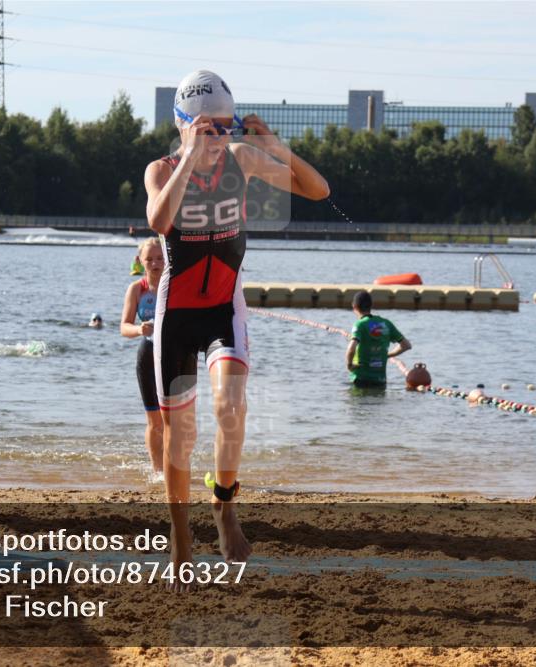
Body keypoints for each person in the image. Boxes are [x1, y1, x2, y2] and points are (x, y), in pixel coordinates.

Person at [144, 69, 329, 589]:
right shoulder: (160, 169)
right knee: (180, 436)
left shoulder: (242, 160)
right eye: (206, 128)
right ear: (182, 125)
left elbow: (318, 190)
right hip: (177, 316)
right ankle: (181, 540)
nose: (217, 137)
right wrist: (188, 155)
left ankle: (225, 506)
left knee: (231, 407)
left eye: (224, 127)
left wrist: (275, 145)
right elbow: (160, 222)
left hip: (225, 309)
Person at [120, 238, 165, 476]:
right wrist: (140, 329)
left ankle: (176, 467)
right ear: (140, 261)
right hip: (147, 356)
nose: (155, 263)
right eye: (149, 259)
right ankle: (158, 472)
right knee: (155, 422)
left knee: (176, 422)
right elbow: (124, 327)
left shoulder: (177, 285)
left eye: (160, 258)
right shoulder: (137, 289)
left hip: (174, 356)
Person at [346, 291, 412, 389]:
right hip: (380, 381)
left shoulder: (360, 324)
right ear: (371, 305)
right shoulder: (386, 324)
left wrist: (349, 365)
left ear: (354, 306)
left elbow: (351, 349)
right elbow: (406, 345)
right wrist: (388, 355)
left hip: (360, 380)